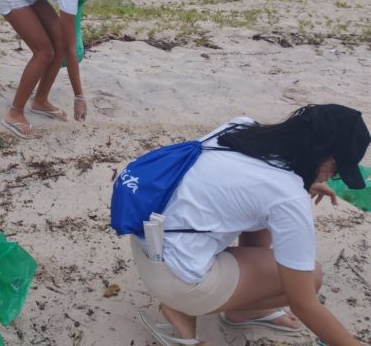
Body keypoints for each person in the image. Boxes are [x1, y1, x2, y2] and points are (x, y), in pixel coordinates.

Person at [131, 104, 370, 346]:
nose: (331, 177)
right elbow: (303, 304)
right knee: (312, 277)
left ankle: (243, 311)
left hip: (149, 245)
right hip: (178, 280)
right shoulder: (287, 195)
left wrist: (303, 182)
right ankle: (182, 308)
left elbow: (246, 184)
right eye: (336, 170)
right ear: (322, 156)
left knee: (264, 211)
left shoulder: (241, 128)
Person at [0, 0, 127, 139]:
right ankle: (14, 113)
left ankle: (40, 101)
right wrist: (79, 97)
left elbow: (65, 44)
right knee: (44, 52)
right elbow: (71, 49)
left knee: (58, 41)